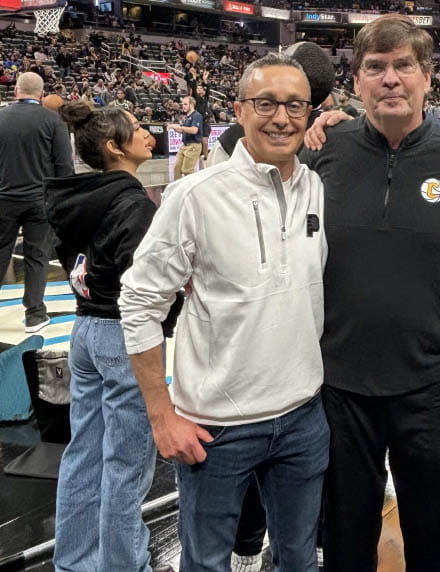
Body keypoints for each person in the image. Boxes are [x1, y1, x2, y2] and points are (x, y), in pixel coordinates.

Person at [119, 54, 329, 572]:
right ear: (239, 109)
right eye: (266, 104)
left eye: (295, 105)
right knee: (207, 563)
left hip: (303, 416)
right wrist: (161, 415)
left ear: (310, 113)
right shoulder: (195, 196)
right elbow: (140, 301)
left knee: (299, 559)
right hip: (217, 427)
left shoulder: (315, 188)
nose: (281, 118)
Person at [301, 13, 440, 572]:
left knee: (433, 537)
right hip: (340, 385)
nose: (390, 79)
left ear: (428, 76)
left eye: (403, 65)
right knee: (345, 535)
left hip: (430, 385)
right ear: (355, 82)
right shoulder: (324, 152)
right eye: (374, 67)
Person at [44, 102, 167, 572]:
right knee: (126, 464)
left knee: (82, 455)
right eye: (137, 129)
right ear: (115, 146)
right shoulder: (133, 203)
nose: (147, 133)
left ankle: (73, 562)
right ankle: (124, 564)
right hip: (121, 335)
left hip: (84, 330)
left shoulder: (76, 197)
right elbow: (142, 288)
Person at [0, 71, 73, 333]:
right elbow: (64, 168)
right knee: (37, 256)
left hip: (3, 199)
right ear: (41, 94)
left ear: (15, 91)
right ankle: (34, 314)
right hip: (40, 201)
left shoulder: (1, 117)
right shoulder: (53, 121)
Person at [169, 95, 203, 180]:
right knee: (177, 168)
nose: (183, 106)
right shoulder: (188, 116)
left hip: (193, 145)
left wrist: (180, 127)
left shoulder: (196, 116)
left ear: (191, 105)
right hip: (185, 145)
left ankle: (191, 189)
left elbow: (194, 130)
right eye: (183, 104)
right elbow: (182, 130)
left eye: (185, 104)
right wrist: (174, 127)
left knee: (186, 171)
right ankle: (176, 187)